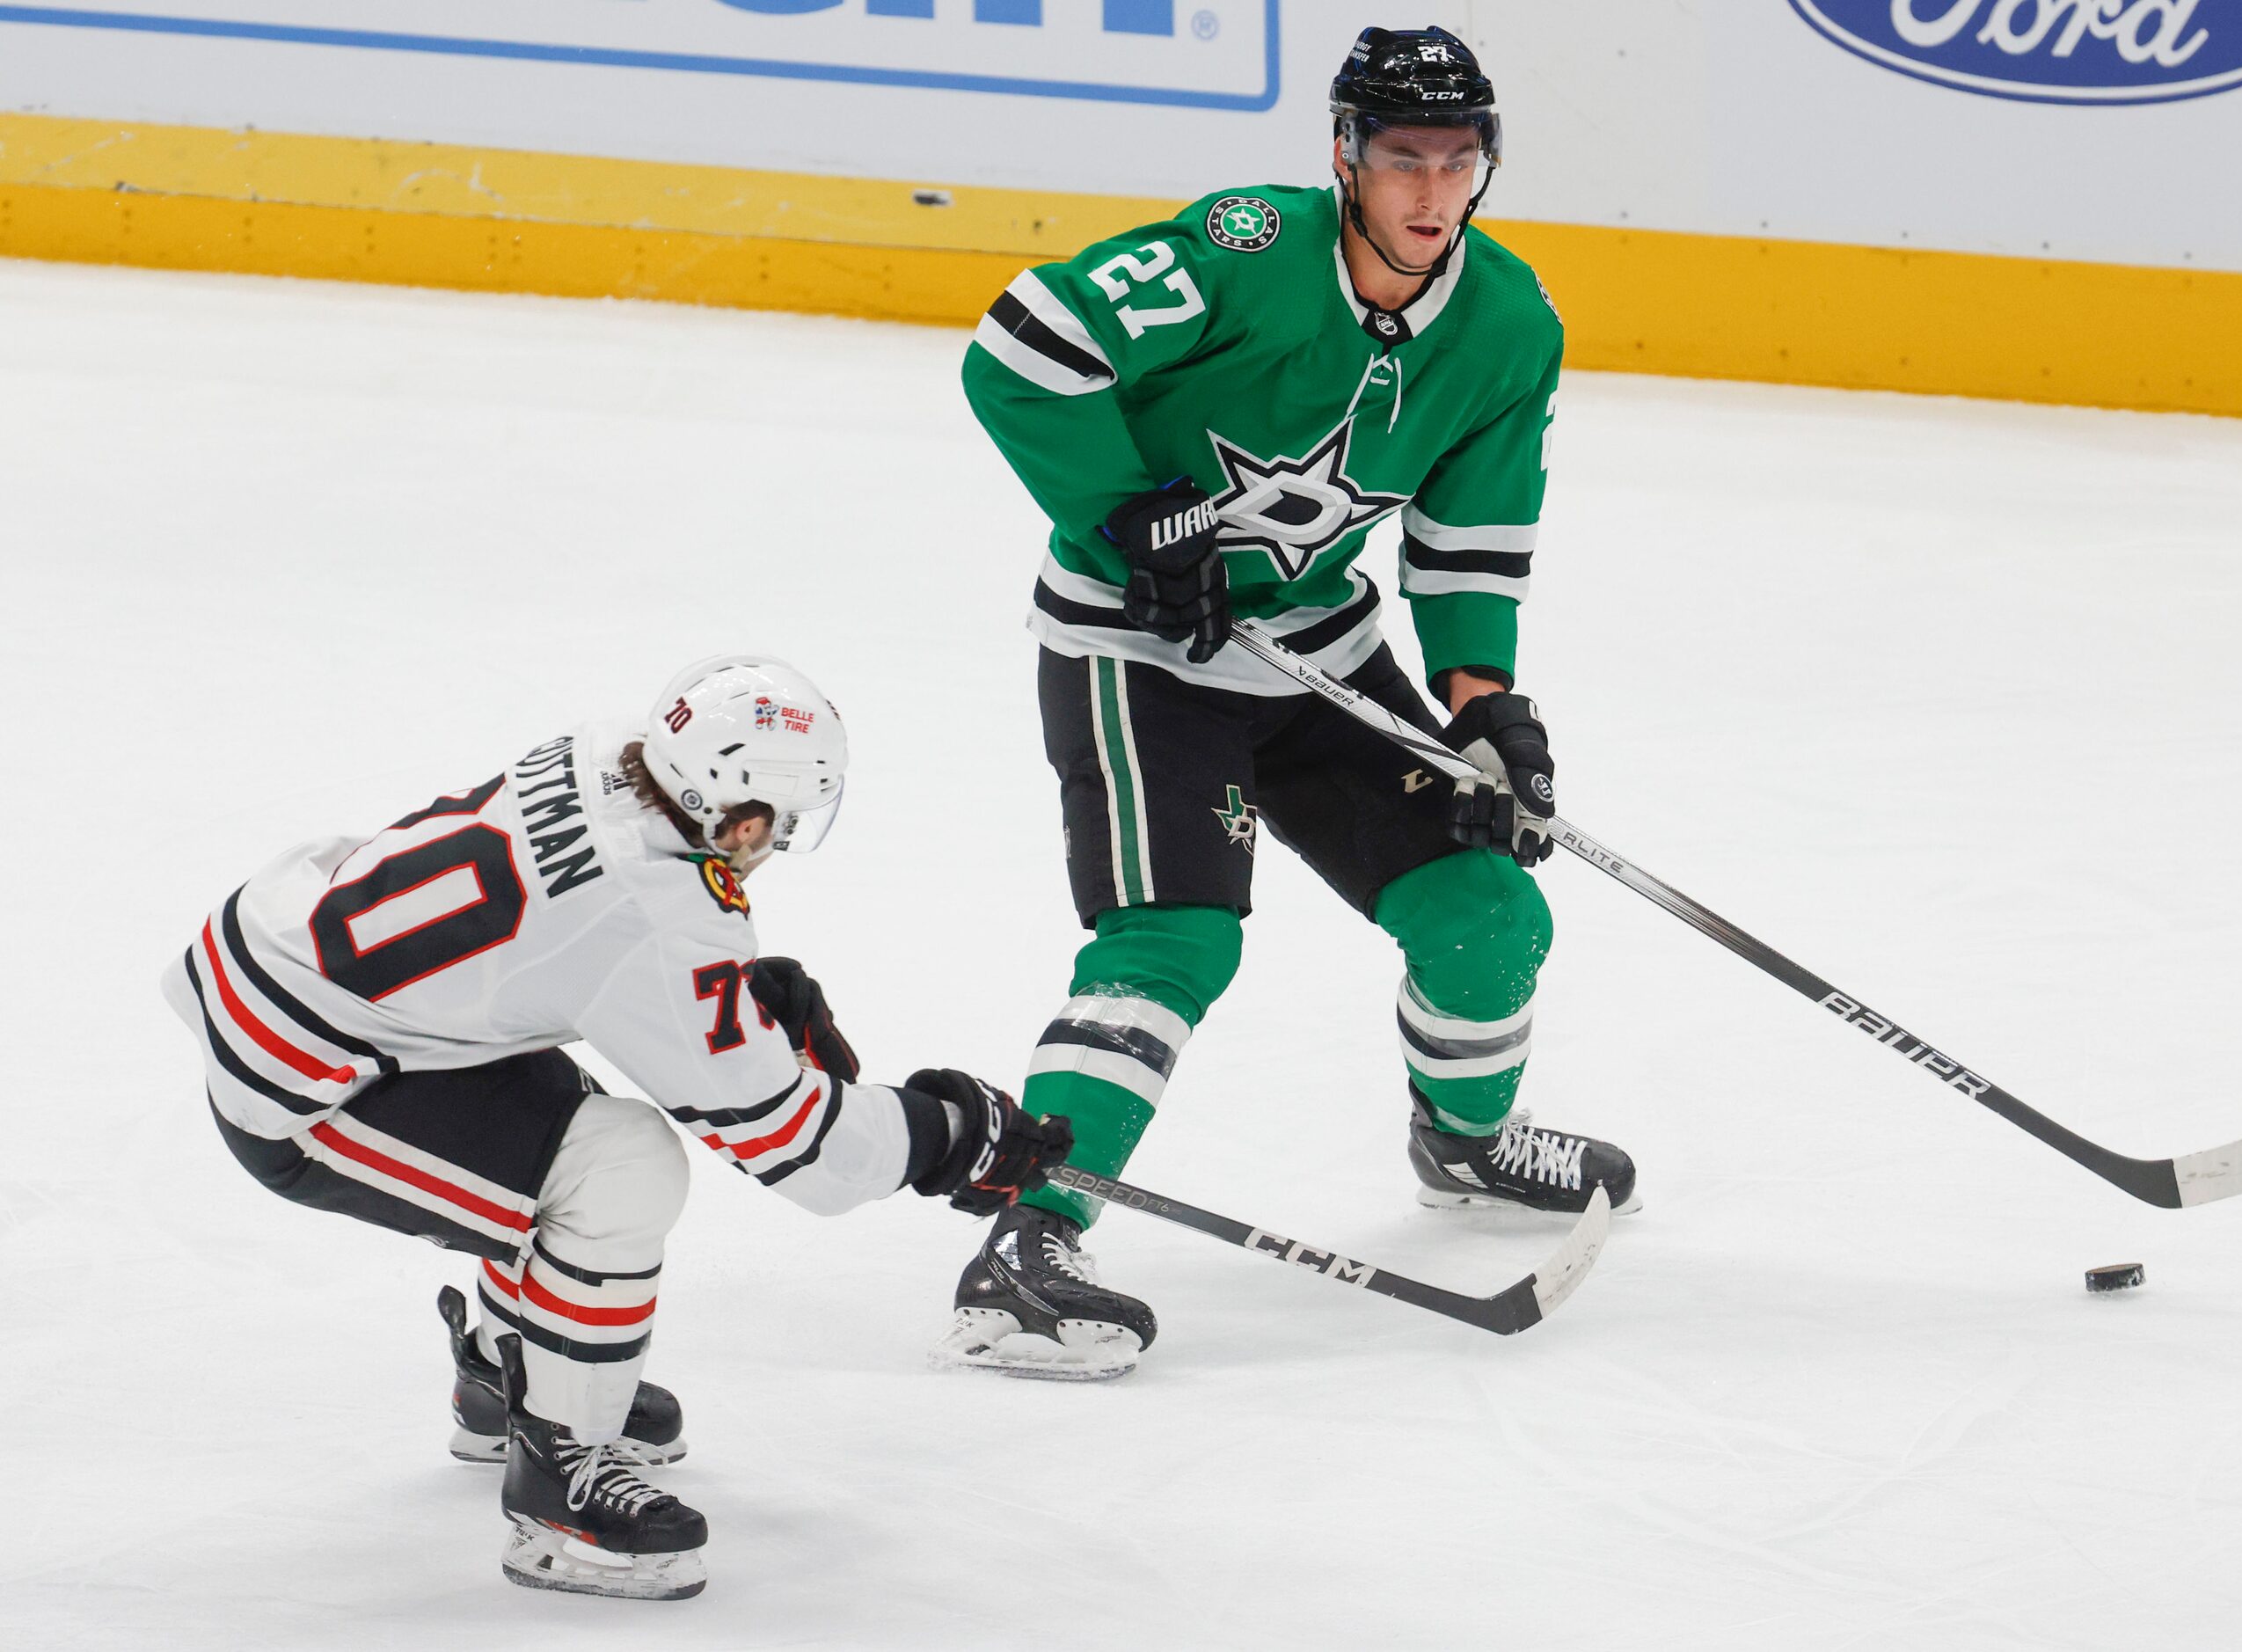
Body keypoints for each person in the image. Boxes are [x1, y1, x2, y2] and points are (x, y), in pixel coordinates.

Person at [949, 26, 1635, 1381]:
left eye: (1457, 160)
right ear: (1345, 159)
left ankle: (1465, 1140)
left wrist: (1484, 704)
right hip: (1135, 652)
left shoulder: (1506, 322)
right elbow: (1019, 347)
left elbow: (1468, 533)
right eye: (1401, 160)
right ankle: (1027, 1239)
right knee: (1173, 943)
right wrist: (1131, 519)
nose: (1432, 192)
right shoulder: (1250, 246)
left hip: (1318, 647)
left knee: (1487, 907)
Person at [163, 654, 1070, 1598]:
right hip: (305, 1083)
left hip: (291, 966)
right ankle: (560, 1486)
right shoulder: (657, 914)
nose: (778, 843)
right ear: (742, 815)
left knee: (557, 1141)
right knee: (618, 1170)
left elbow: (547, 945)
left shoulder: (604, 752)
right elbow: (798, 1149)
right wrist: (947, 1139)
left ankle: (505, 1375)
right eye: (782, 823)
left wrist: (731, 1007)